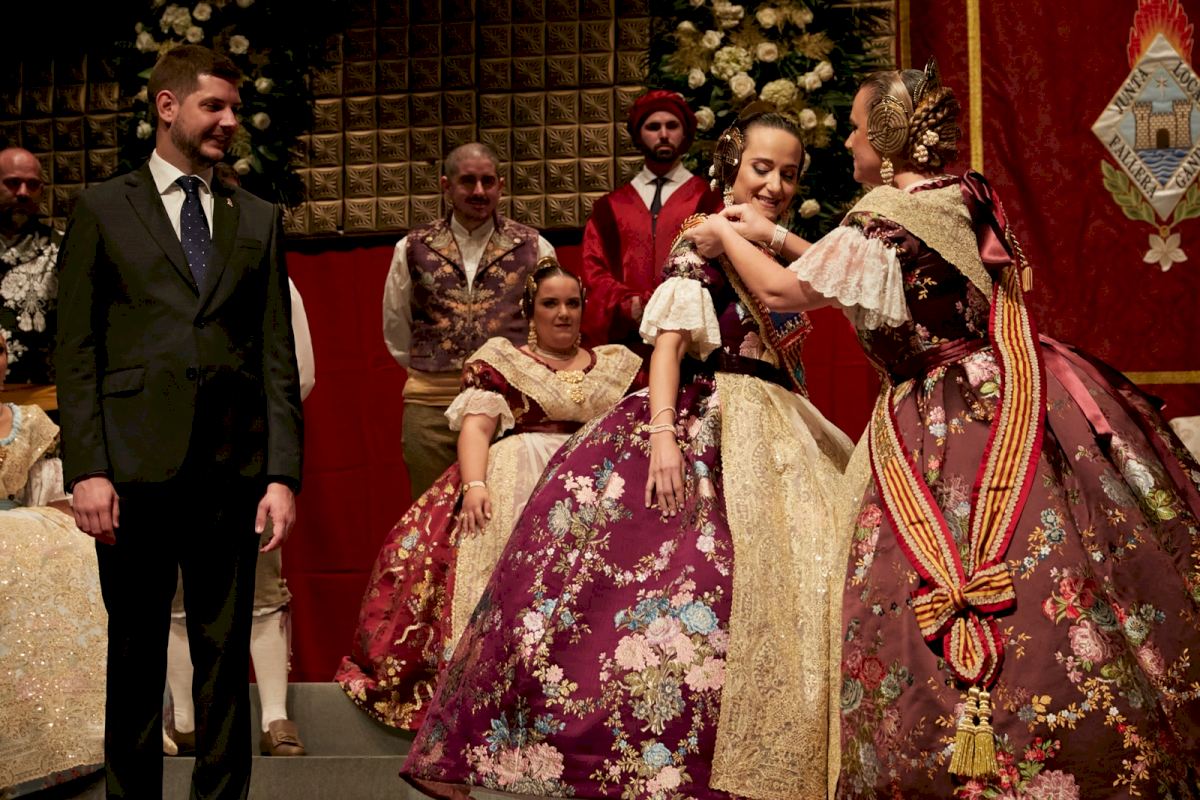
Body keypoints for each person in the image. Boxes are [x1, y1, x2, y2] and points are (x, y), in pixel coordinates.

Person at [687, 61, 1200, 797]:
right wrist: (772, 231)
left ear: (888, 136)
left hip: (940, 413)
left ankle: (957, 751)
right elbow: (872, 275)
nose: (850, 142)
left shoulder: (881, 214)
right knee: (1067, 555)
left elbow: (782, 291)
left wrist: (720, 231)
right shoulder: (956, 196)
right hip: (1006, 383)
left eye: (857, 128)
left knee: (923, 573)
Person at [402, 112, 854, 800]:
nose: (775, 185)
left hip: (781, 428)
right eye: (761, 169)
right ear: (729, 168)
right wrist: (665, 435)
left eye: (789, 174)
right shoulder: (703, 242)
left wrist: (764, 234)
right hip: (714, 421)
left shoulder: (769, 249)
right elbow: (668, 346)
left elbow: (837, 277)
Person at [55, 44, 303, 800]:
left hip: (231, 470)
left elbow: (276, 356)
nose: (229, 121)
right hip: (133, 469)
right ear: (167, 107)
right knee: (134, 654)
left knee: (223, 654)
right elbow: (78, 349)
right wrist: (87, 468)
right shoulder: (103, 207)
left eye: (235, 109)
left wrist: (282, 476)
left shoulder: (256, 217)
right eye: (213, 106)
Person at [337, 259, 641, 730]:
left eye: (572, 303)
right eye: (550, 303)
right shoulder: (501, 361)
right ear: (530, 310)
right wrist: (475, 485)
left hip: (595, 483)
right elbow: (477, 428)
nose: (563, 313)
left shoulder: (616, 365)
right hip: (521, 479)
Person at [165, 277, 315, 758]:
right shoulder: (155, 267)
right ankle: (186, 719)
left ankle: (274, 717)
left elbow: (297, 372)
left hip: (245, 448)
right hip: (165, 447)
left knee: (262, 580)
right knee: (176, 585)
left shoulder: (267, 273)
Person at [383, 142, 556, 497]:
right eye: (468, 181)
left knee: (505, 510)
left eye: (488, 181)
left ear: (501, 185)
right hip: (430, 408)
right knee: (432, 514)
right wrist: (434, 368)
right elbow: (396, 324)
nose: (479, 191)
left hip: (507, 405)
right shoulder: (412, 247)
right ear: (446, 186)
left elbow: (548, 323)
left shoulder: (534, 246)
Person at [0, 331, 107, 797]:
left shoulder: (29, 422)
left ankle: (69, 726)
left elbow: (50, 495)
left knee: (72, 549)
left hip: (20, 523)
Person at [578, 90, 722, 354]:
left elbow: (720, 265)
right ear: (638, 135)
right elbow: (594, 271)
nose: (663, 134)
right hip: (624, 342)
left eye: (672, 126)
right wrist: (630, 304)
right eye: (653, 127)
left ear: (685, 134)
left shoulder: (708, 200)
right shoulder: (609, 208)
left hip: (688, 339)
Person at [0, 147, 59, 387]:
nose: (23, 193)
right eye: (13, 183)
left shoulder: (63, 249)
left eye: (32, 185)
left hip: (41, 397)